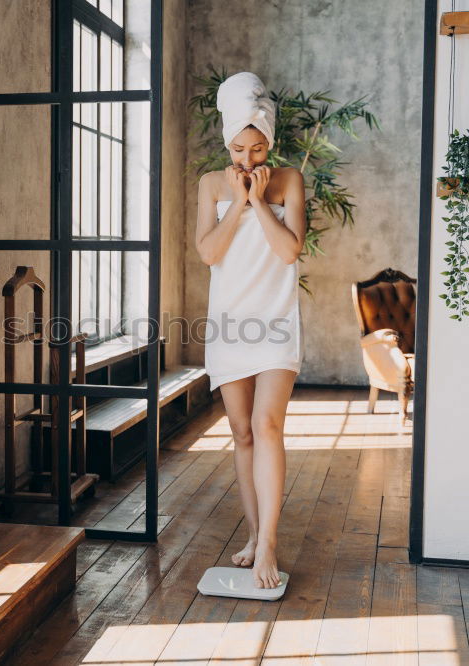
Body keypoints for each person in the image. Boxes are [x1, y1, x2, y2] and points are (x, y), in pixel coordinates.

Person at [195, 71, 307, 589]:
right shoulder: (211, 185)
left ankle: (268, 547)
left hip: (276, 320)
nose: (247, 160)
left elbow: (289, 251)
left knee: (267, 427)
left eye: (257, 149)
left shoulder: (287, 181)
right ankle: (253, 533)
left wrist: (260, 200)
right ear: (227, 142)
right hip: (230, 323)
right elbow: (209, 253)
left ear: (270, 142)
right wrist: (238, 201)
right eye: (239, 149)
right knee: (241, 433)